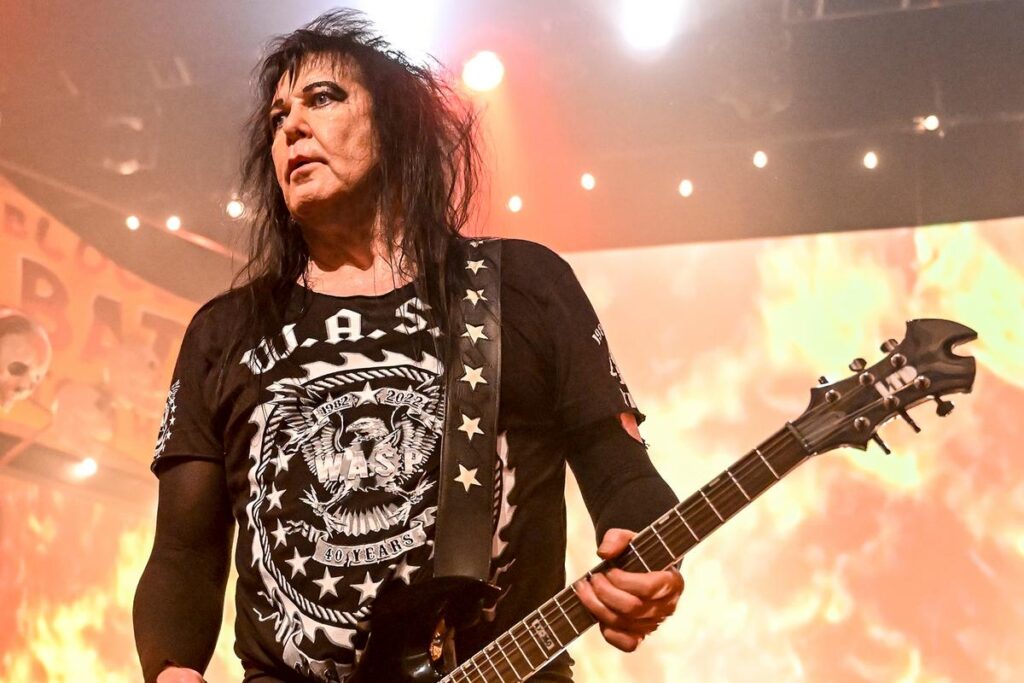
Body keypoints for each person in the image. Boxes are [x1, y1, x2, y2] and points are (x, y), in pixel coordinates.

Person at [133, 9, 682, 682]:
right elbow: (184, 553)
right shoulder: (226, 332)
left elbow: (623, 473)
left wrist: (648, 561)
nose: (291, 127)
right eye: (277, 117)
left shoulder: (521, 286)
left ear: (395, 126)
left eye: (322, 98)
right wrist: (171, 670)